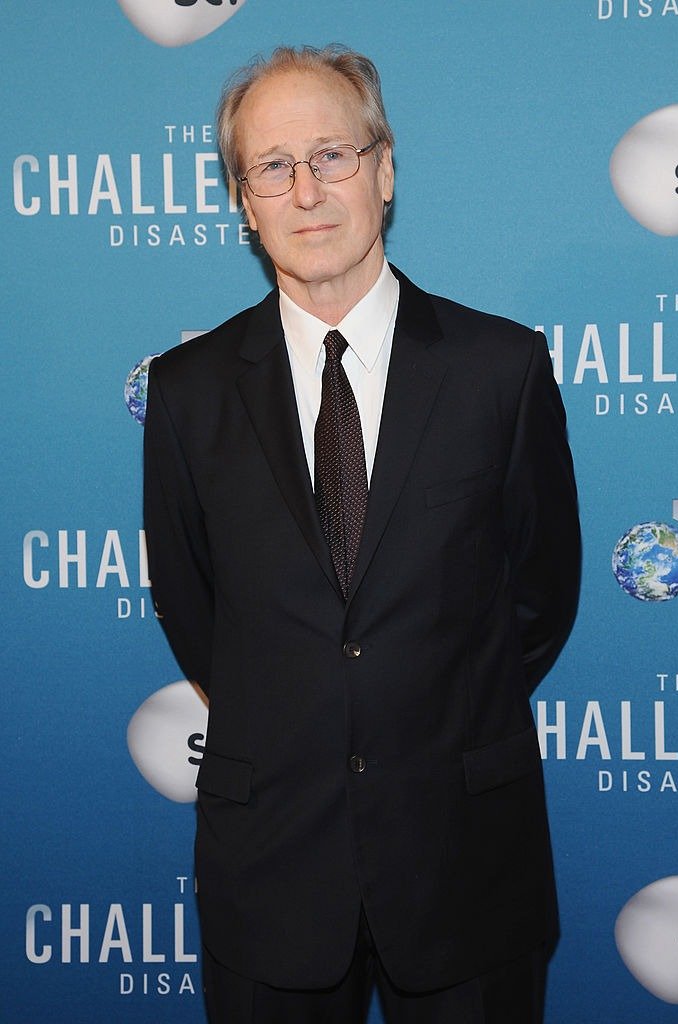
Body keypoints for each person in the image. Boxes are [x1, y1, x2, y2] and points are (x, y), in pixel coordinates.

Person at [143, 44, 580, 1024]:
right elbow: (193, 607)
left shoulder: (500, 370)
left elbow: (541, 596)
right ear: (243, 200)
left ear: (385, 169)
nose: (307, 190)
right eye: (273, 165)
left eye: (332, 155)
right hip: (273, 874)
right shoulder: (187, 393)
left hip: (466, 863)